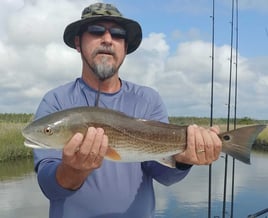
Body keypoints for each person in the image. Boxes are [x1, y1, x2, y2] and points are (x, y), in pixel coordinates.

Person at [33, 3, 222, 218]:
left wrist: (184, 160)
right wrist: (73, 170)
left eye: (118, 34)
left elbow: (164, 175)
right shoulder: (57, 100)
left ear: (125, 46)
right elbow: (48, 186)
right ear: (78, 42)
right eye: (96, 31)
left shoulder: (148, 100)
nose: (107, 39)